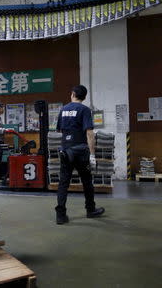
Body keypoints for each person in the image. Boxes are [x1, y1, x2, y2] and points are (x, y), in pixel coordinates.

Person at [55, 85, 105, 225]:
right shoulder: (85, 110)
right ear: (84, 97)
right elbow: (89, 133)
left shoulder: (63, 109)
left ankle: (61, 215)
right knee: (87, 182)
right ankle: (90, 210)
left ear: (72, 94)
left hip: (65, 151)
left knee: (63, 183)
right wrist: (93, 155)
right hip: (81, 151)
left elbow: (60, 130)